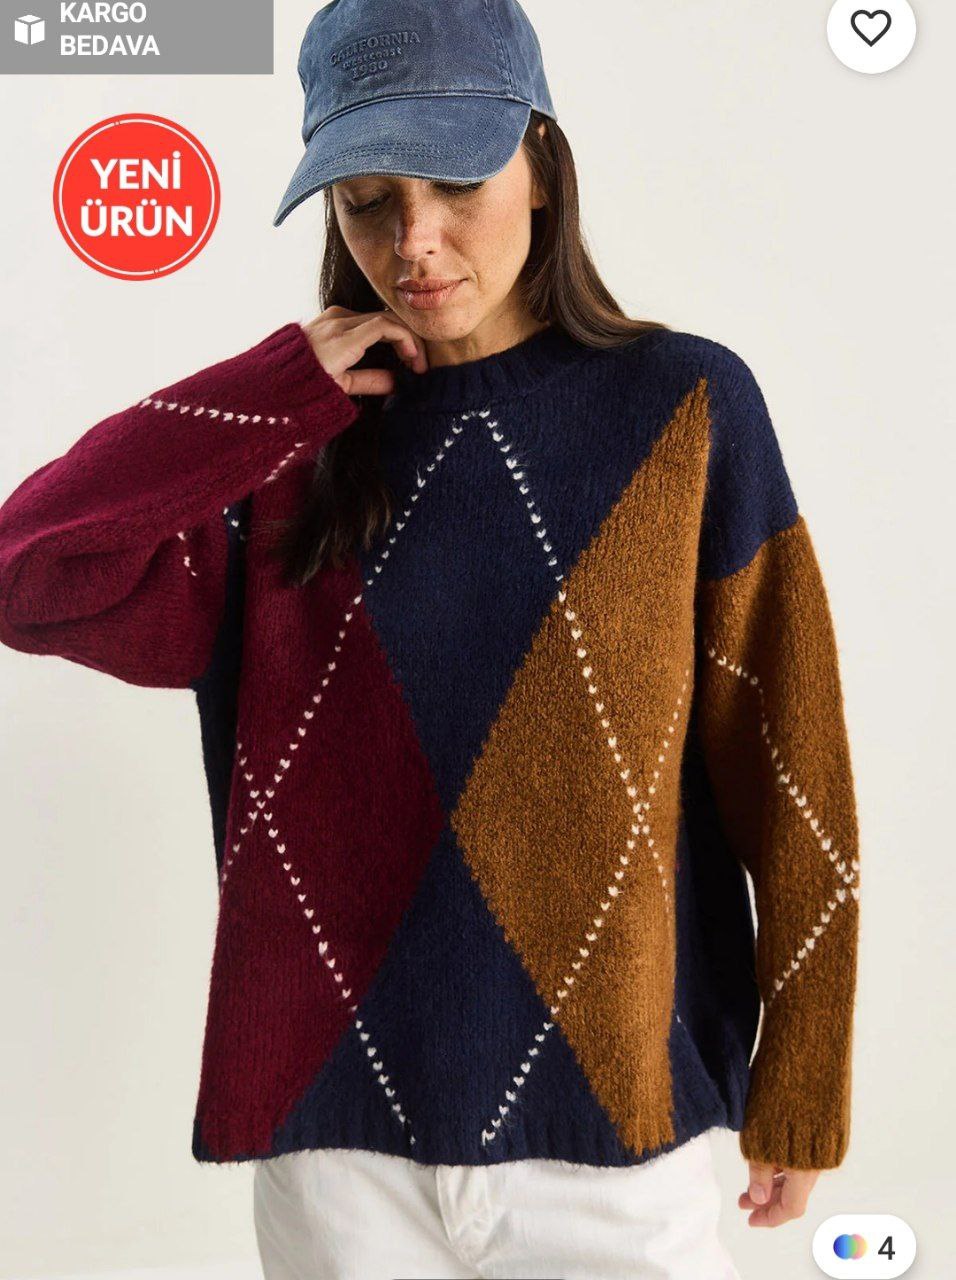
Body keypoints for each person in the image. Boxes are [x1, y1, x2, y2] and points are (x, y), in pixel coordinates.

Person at [0, 1, 860, 1277]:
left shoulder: (684, 409)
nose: (412, 240)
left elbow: (789, 774)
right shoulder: (284, 455)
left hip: (616, 1142)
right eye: (364, 199)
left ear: (541, 165)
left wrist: (803, 1080)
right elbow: (27, 571)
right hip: (339, 1161)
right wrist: (271, 388)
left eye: (456, 181)